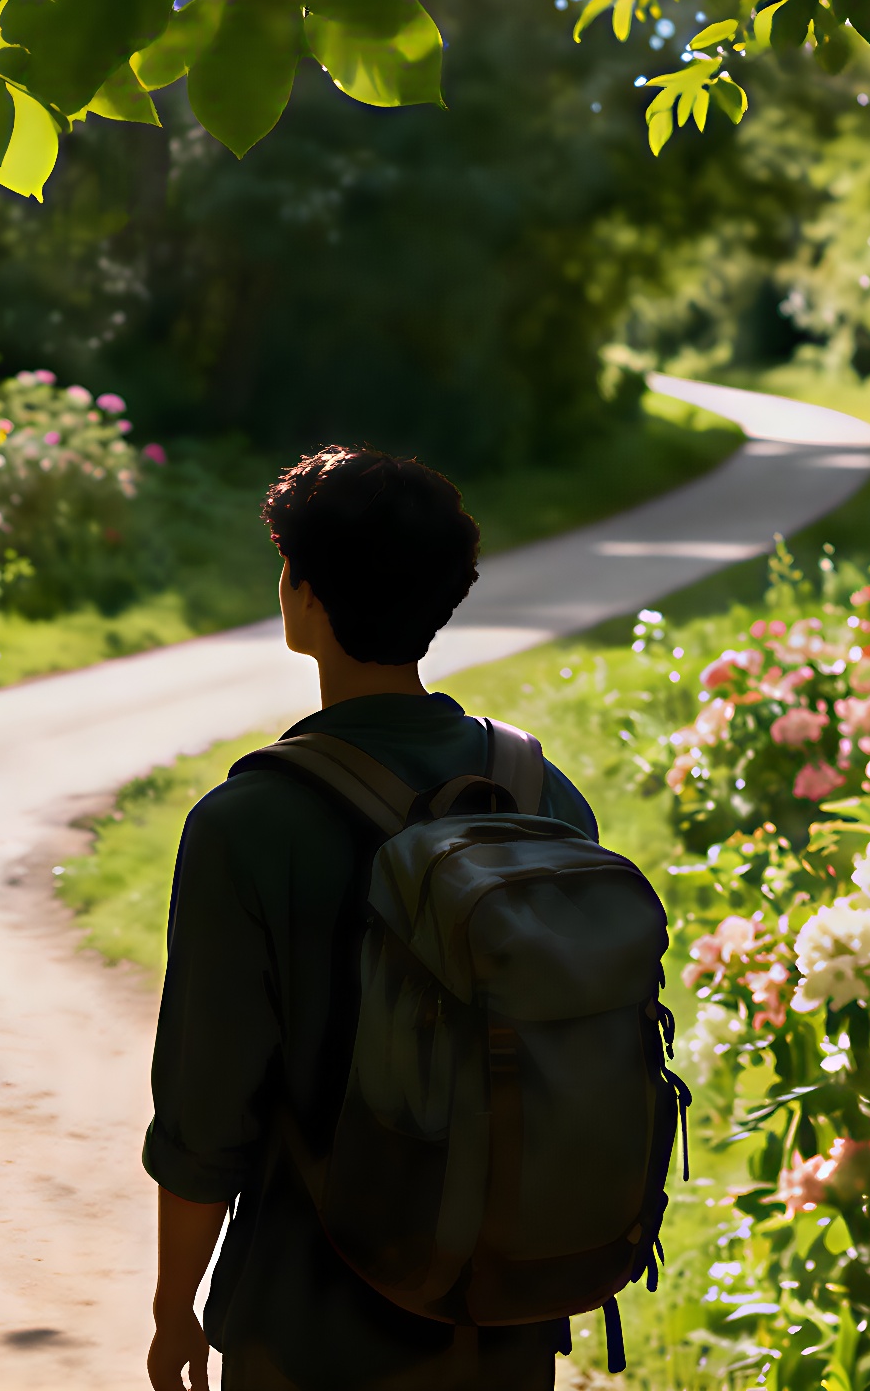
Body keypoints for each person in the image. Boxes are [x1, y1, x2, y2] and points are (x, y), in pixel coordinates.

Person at [143, 447, 597, 1391]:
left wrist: (173, 1305)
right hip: (503, 1312)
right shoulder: (538, 791)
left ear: (304, 598)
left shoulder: (246, 825)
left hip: (309, 1321)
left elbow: (205, 1109)